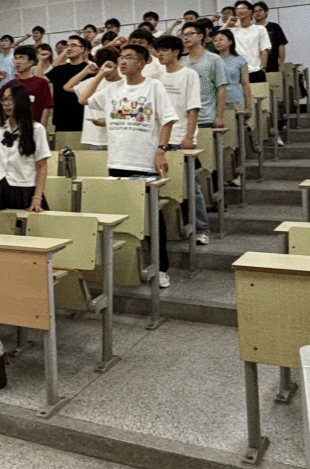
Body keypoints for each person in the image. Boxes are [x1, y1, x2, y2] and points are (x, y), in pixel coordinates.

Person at [77, 44, 178, 285]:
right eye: (121, 57)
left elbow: (168, 120)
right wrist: (101, 74)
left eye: (129, 58)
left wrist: (161, 150)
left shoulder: (153, 86)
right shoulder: (113, 89)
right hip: (117, 160)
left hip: (144, 162)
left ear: (142, 63)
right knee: (121, 216)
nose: (122, 61)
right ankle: (124, 269)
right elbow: (83, 99)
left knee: (152, 219)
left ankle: (161, 268)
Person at [156, 35, 210, 245]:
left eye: (164, 50)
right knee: (164, 186)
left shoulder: (189, 75)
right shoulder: (156, 76)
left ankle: (201, 229)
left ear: (176, 52)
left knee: (191, 187)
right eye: (158, 50)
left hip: (181, 138)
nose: (160, 54)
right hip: (161, 139)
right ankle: (172, 230)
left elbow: (193, 108)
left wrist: (189, 136)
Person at [0, 83, 51, 212]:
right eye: (4, 99)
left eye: (10, 99)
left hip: (25, 189)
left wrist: (37, 197)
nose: (6, 103)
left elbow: (41, 166)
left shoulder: (37, 129)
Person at [179, 23, 229, 132]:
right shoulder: (181, 62)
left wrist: (220, 117)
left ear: (201, 36)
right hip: (185, 120)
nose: (186, 38)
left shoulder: (214, 59)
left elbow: (221, 89)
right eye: (183, 35)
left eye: (190, 34)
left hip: (207, 118)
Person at [47, 36, 91, 133]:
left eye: (73, 45)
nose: (69, 48)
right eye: (67, 46)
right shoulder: (59, 69)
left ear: (82, 49)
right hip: (62, 119)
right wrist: (42, 61)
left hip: (84, 119)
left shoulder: (90, 69)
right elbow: (40, 81)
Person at [4, 44, 53, 127]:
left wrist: (42, 129)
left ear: (31, 62)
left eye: (21, 58)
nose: (17, 61)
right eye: (16, 58)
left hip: (34, 127)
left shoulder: (41, 83)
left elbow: (46, 108)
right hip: (14, 128)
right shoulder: (11, 84)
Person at [229, 0, 271, 82]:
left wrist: (262, 68)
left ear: (250, 12)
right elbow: (217, 37)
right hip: (238, 73)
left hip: (256, 71)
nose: (240, 11)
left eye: (243, 8)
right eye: (237, 9)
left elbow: (264, 50)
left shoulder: (260, 29)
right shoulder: (233, 31)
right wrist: (228, 23)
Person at [213, 28, 252, 114]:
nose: (218, 42)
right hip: (217, 102)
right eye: (215, 40)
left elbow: (245, 84)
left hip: (235, 100)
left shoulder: (240, 60)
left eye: (221, 39)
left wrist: (248, 105)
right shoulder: (211, 61)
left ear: (230, 41)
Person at [252, 2, 289, 73]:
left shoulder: (274, 27)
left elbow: (281, 46)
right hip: (255, 65)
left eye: (260, 10)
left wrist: (281, 64)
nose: (257, 13)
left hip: (273, 64)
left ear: (265, 12)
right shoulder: (251, 29)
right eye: (255, 11)